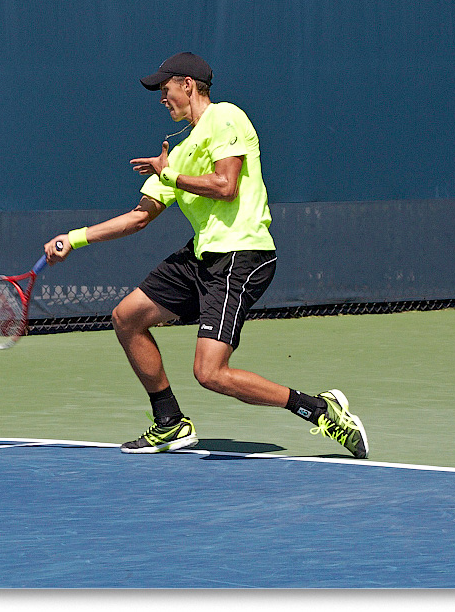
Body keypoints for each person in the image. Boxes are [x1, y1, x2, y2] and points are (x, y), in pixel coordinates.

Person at [44, 52, 369, 458]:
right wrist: (73, 239)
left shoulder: (226, 117)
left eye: (165, 89)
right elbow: (138, 218)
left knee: (210, 373)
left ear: (188, 84)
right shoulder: (177, 152)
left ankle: (320, 409)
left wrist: (170, 174)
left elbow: (226, 185)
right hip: (203, 256)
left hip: (241, 254)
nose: (162, 98)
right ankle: (170, 424)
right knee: (127, 317)